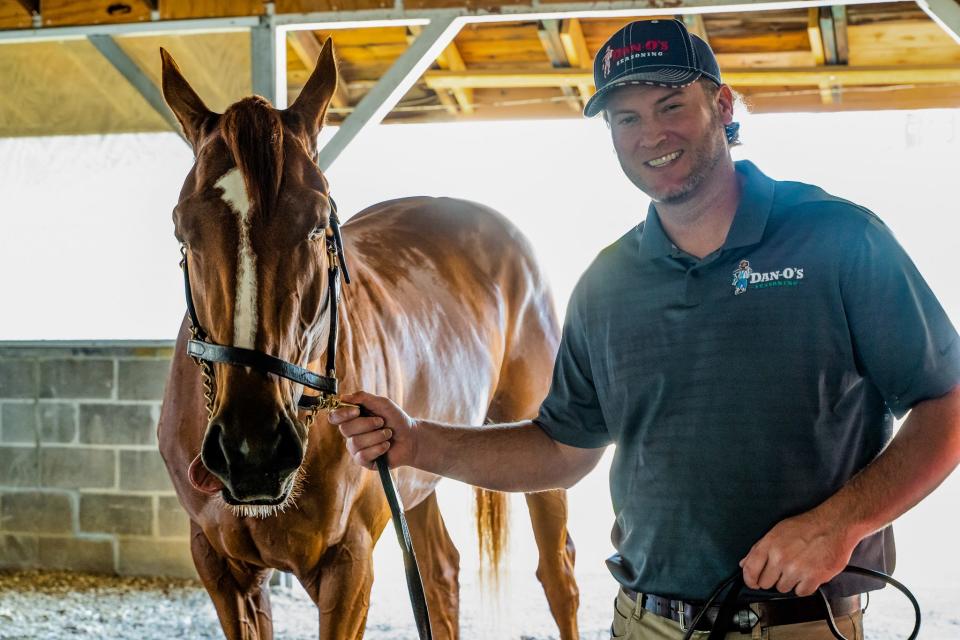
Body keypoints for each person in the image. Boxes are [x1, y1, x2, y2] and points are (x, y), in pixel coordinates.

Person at [330, 18, 960, 639]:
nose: (651, 134)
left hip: (800, 623)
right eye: (626, 119)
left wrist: (840, 525)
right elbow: (563, 448)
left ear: (722, 103)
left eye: (670, 105)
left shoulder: (840, 237)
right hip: (645, 623)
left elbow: (948, 401)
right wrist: (417, 442)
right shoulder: (609, 283)